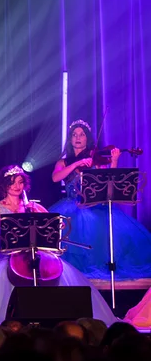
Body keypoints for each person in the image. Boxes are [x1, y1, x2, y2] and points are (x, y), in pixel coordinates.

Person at [0, 164, 117, 324]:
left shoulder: (32, 205)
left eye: (20, 182)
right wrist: (3, 220)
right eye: (12, 183)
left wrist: (48, 218)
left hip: (35, 251)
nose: (17, 186)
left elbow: (54, 222)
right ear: (4, 185)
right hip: (8, 252)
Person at [48, 119, 151, 280]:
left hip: (93, 205)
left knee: (100, 233)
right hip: (71, 204)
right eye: (74, 134)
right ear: (70, 139)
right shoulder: (63, 162)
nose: (78, 138)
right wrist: (76, 164)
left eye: (82, 134)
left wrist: (114, 161)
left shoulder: (95, 159)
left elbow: (108, 179)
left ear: (87, 138)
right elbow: (55, 178)